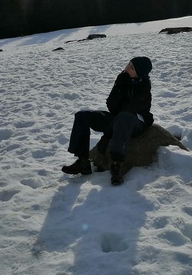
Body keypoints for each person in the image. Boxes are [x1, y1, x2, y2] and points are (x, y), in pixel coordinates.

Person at [62, 56, 153, 185]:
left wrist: (108, 134)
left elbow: (130, 109)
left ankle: (117, 165)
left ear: (139, 73)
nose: (126, 67)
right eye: (128, 64)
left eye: (131, 67)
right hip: (118, 118)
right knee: (82, 116)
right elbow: (112, 106)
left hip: (136, 122)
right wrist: (119, 86)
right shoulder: (123, 79)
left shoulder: (144, 87)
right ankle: (83, 161)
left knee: (124, 117)